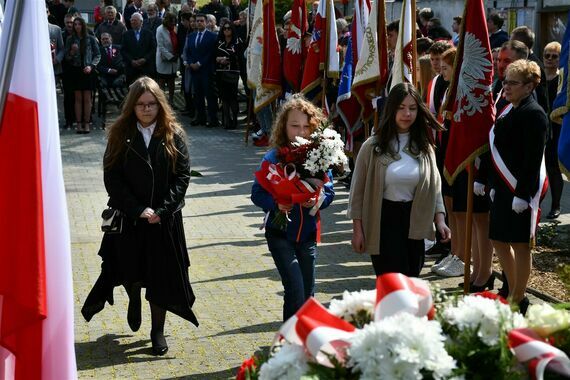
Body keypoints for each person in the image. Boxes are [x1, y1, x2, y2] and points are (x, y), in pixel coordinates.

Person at [81, 76, 199, 355]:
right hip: (131, 218)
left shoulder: (174, 134)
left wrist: (162, 210)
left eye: (152, 104)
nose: (147, 110)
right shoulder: (120, 134)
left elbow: (182, 176)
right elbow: (112, 177)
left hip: (164, 220)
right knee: (131, 269)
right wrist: (137, 209)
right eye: (141, 105)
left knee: (161, 276)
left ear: (160, 105)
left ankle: (157, 331)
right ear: (132, 106)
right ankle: (133, 295)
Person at [348, 83, 451, 277]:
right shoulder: (372, 147)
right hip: (384, 221)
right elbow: (357, 192)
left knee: (411, 279)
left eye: (412, 108)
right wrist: (357, 230)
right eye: (401, 108)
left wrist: (440, 220)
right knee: (391, 283)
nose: (407, 114)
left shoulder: (424, 147)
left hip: (415, 220)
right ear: (391, 109)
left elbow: (435, 187)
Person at [251, 94, 335, 321]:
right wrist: (276, 203)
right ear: (283, 127)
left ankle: (301, 343)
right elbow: (256, 193)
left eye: (307, 126)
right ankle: (288, 343)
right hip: (280, 233)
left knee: (307, 294)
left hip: (307, 234)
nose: (301, 131)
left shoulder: (320, 158)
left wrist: (317, 200)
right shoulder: (273, 158)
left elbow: (330, 193)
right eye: (294, 125)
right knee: (295, 287)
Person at [489, 60, 548, 314]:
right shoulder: (508, 109)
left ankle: (519, 297)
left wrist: (523, 194)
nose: (507, 87)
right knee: (499, 239)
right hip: (503, 187)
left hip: (520, 190)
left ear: (529, 86)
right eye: (505, 81)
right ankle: (514, 290)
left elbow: (532, 158)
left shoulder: (534, 113)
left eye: (513, 83)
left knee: (520, 244)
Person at [64, 17, 100, 134]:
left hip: (88, 70)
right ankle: (79, 124)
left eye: (79, 24)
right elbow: (67, 57)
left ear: (83, 26)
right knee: (78, 99)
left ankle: (87, 123)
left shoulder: (90, 38)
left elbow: (97, 55)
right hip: (75, 70)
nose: (77, 26)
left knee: (87, 99)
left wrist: (91, 66)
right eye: (75, 24)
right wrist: (72, 52)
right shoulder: (70, 39)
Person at [183, 14, 219, 127]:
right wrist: (190, 63)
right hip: (194, 71)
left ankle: (213, 119)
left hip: (207, 70)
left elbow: (211, 53)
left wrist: (199, 63)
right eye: (197, 21)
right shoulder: (191, 36)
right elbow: (188, 52)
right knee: (197, 96)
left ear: (206, 22)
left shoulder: (212, 36)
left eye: (201, 21)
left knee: (210, 95)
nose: (199, 23)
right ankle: (201, 118)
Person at [543, 42, 563, 219]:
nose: (549, 59)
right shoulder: (538, 78)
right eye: (547, 55)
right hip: (538, 128)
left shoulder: (561, 81)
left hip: (555, 129)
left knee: (553, 168)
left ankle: (556, 205)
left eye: (554, 56)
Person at [215, 21, 242, 130]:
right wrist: (219, 59)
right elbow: (214, 54)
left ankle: (234, 120)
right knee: (224, 98)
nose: (226, 30)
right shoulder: (219, 41)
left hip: (232, 72)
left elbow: (239, 56)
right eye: (224, 28)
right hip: (220, 72)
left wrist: (227, 59)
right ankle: (226, 121)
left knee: (232, 97)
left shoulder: (237, 41)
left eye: (229, 28)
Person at [122, 13, 156, 85]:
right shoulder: (126, 34)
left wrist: (145, 59)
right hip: (131, 68)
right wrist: (131, 61)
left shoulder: (149, 33)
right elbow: (123, 50)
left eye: (135, 20)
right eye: (132, 20)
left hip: (146, 68)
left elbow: (153, 49)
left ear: (141, 22)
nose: (132, 22)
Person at [156, 12, 180, 105]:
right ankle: (162, 102)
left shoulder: (175, 29)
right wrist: (170, 57)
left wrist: (176, 55)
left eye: (174, 23)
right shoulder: (160, 30)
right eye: (171, 23)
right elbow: (161, 46)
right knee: (162, 81)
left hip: (174, 59)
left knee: (171, 81)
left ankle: (171, 100)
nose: (173, 24)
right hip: (164, 59)